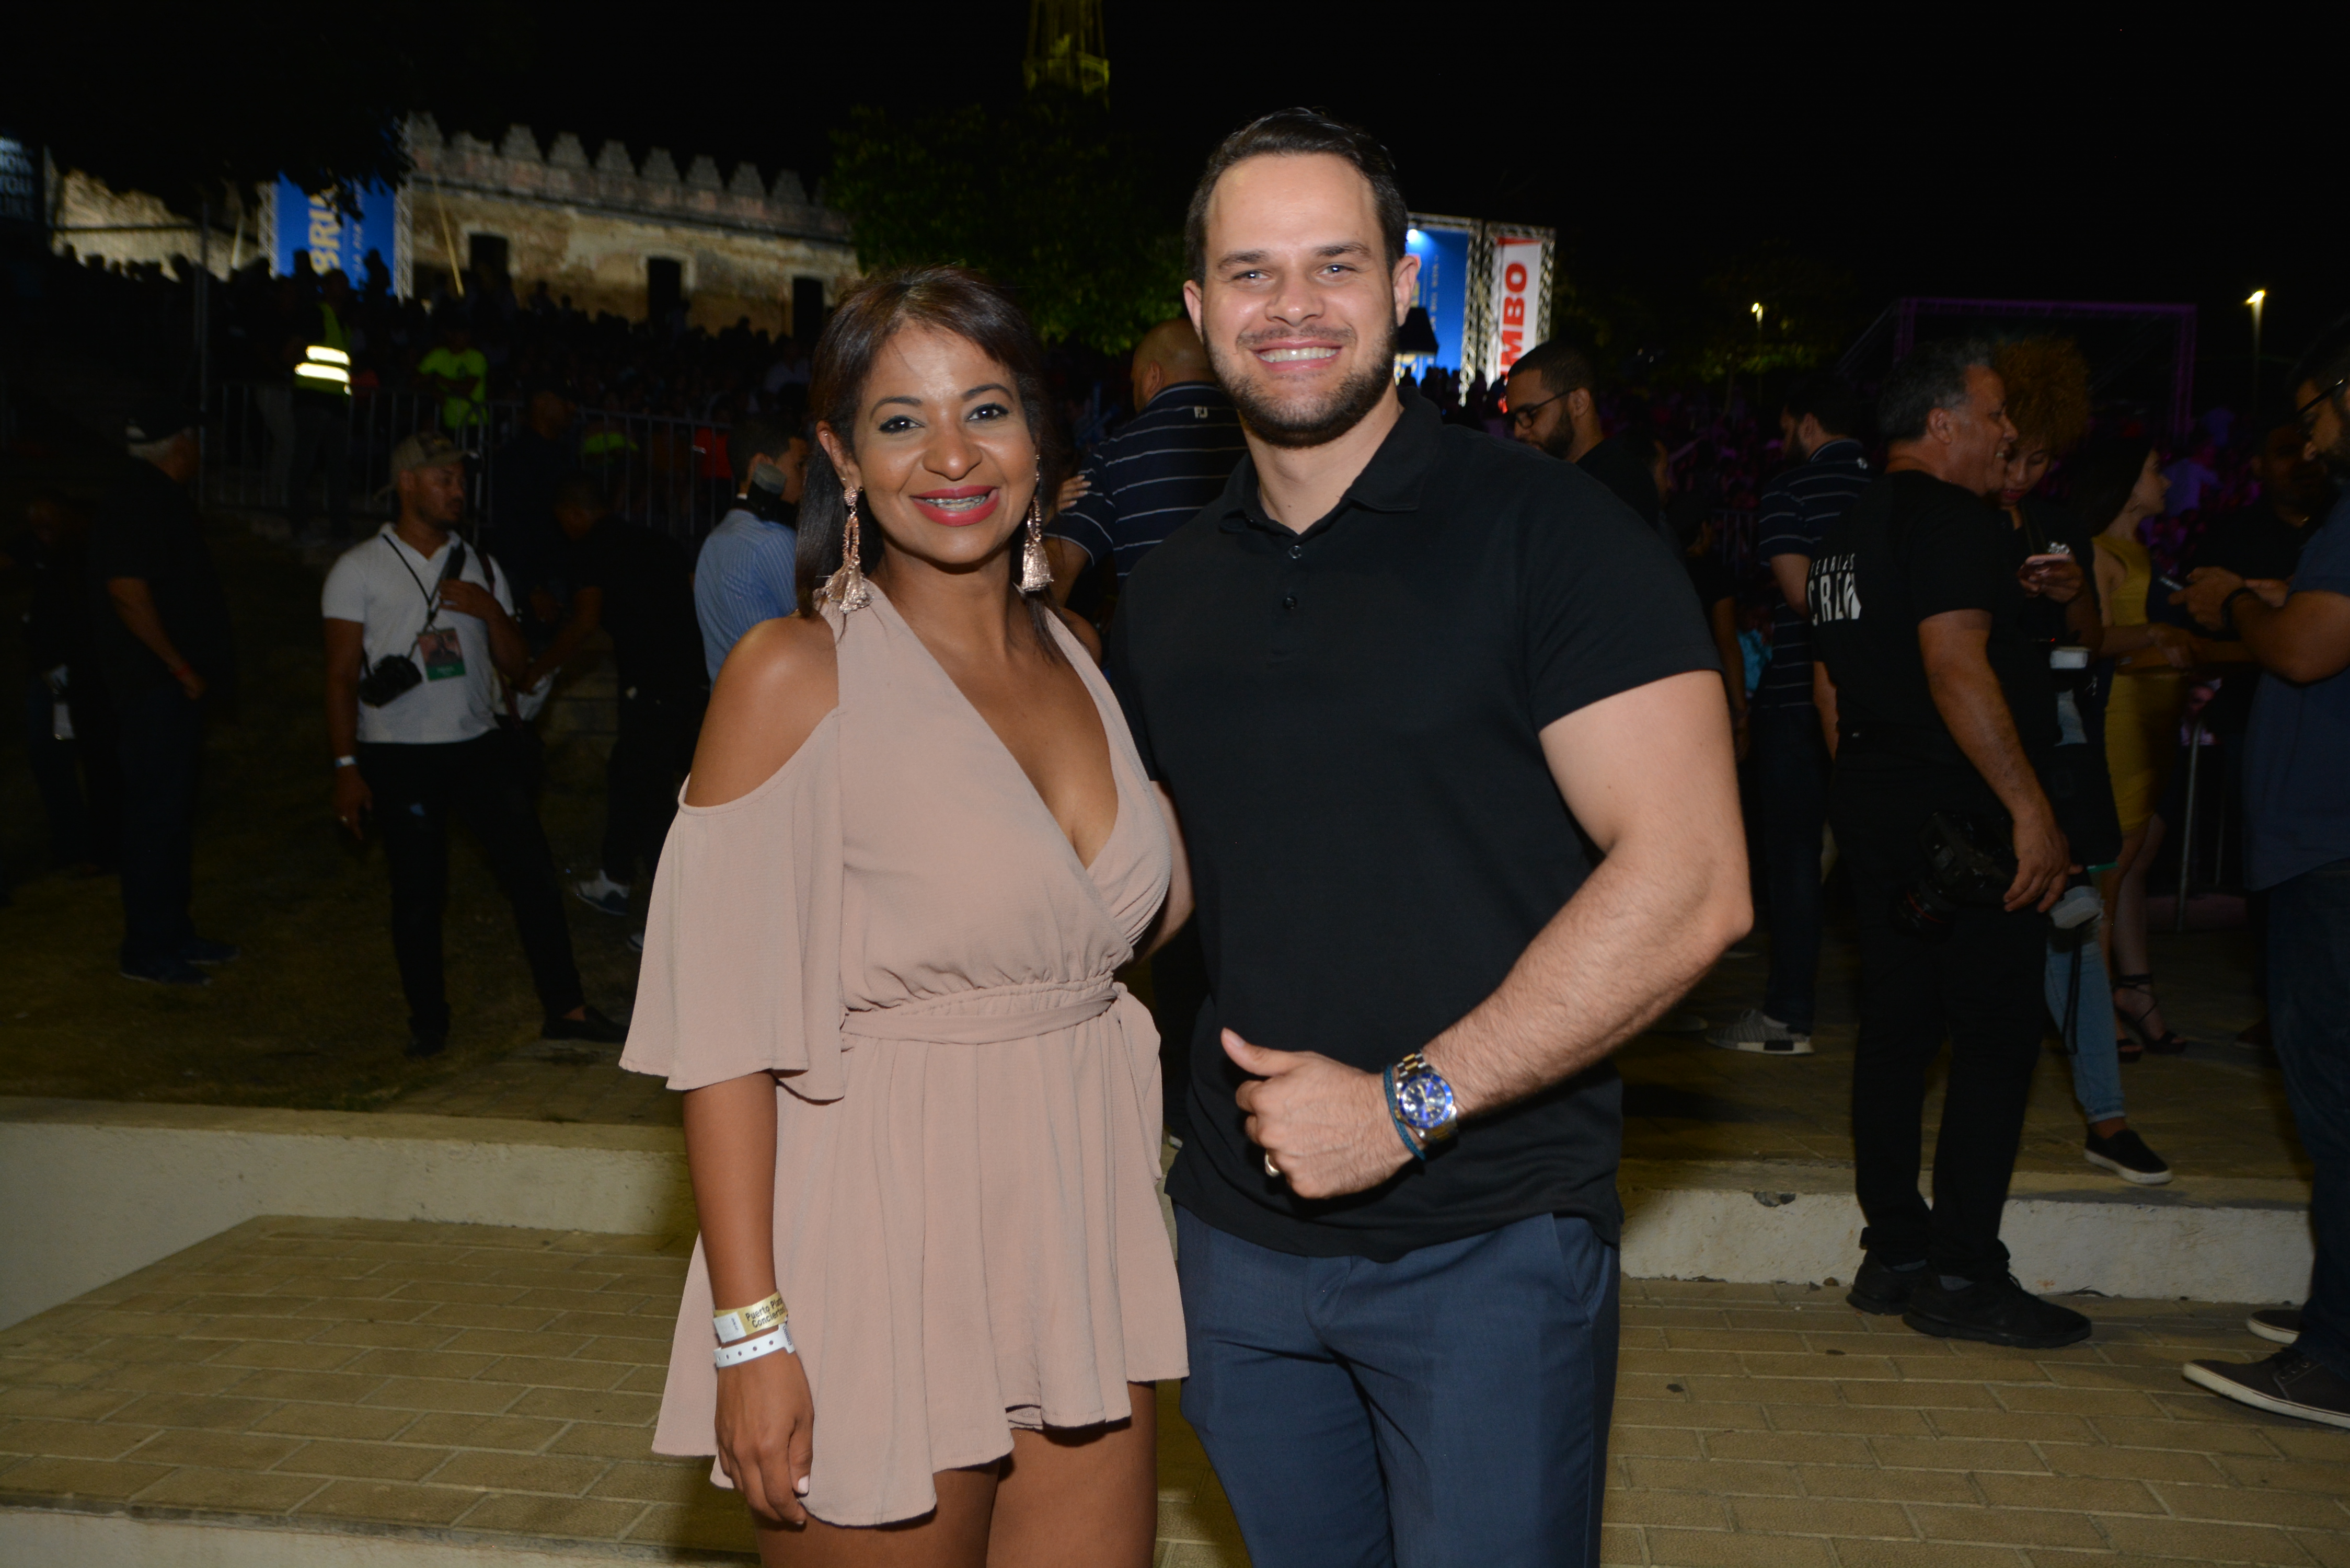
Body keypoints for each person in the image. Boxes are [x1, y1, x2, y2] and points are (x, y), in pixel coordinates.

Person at [1111, 110, 1749, 1566]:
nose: (1291, 306)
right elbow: (1166, 881)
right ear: (1200, 309)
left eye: (1332, 265)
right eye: (1252, 272)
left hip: (1487, 1242)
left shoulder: (1552, 534)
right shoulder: (1172, 589)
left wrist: (1406, 1104)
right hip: (1237, 1248)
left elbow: (1695, 878)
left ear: (1403, 287)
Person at [619, 266, 1186, 1562]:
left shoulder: (1084, 659)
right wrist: (752, 1337)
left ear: (1039, 438)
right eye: (899, 421)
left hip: (1077, 1234)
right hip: (875, 1237)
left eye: (985, 410)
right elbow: (724, 1044)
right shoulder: (791, 677)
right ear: (840, 456)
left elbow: (1097, 928)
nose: (951, 455)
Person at [1808, 340, 2091, 1348]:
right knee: (1996, 1035)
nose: (2008, 432)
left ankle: (1895, 1252)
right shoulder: (1952, 520)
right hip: (1959, 810)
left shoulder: (1844, 533)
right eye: (1995, 414)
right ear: (1942, 424)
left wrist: (1867, 797)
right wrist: (2030, 811)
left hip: (1878, 797)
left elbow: (1831, 681)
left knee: (1897, 1026)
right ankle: (1964, 1275)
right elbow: (1955, 666)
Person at [2175, 319, 2350, 1428]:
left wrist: (2233, 602)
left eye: (2316, 414)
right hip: (2324, 845)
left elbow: (2305, 649)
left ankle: (2337, 1359)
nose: (2311, 441)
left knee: (2335, 1102)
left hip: (2331, 852)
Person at [322, 432, 626, 1059]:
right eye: (444, 479)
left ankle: (566, 1009)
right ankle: (428, 1021)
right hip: (399, 752)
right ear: (407, 483)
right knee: (418, 891)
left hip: (478, 746)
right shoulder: (358, 569)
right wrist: (347, 766)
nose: (458, 490)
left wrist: (490, 610)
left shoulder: (482, 566)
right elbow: (340, 676)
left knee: (533, 876)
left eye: (461, 479)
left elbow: (516, 667)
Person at [1041, 315, 1248, 1144]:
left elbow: (1052, 582)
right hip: (1275, 706)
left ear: (1151, 379)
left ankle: (1186, 1108)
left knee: (1178, 896)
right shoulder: (1269, 441)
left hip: (1168, 718)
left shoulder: (1117, 456)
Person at [1989, 339, 2169, 1184]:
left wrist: (2067, 600)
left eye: (2038, 460)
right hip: (1974, 753)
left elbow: (2090, 643)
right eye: (2012, 456)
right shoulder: (1952, 520)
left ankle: (2108, 1118)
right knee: (1983, 947)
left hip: (2057, 751)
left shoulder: (2058, 527)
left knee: (2073, 929)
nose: (2022, 474)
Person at [1711, 375, 1871, 1056]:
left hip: (1798, 699)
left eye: (1784, 428)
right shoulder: (1887, 489)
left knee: (1794, 861)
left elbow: (1802, 595)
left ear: (1807, 424)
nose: (1782, 441)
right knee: (1878, 854)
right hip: (1880, 696)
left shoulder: (1790, 490)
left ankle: (1787, 1018)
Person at [2191, 416, 2336, 1049]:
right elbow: (2197, 622)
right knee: (2268, 870)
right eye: (2283, 451)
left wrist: (2246, 608)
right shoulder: (2236, 534)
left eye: (2310, 439)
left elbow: (2300, 649)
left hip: (2321, 749)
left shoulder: (2335, 525)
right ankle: (2278, 997)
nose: (2303, 457)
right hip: (2254, 720)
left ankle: (2296, 1009)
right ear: (2254, 466)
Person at [89, 400, 238, 985]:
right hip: (154, 687)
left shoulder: (156, 497)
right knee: (155, 817)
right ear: (179, 446)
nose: (200, 449)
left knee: (172, 814)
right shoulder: (138, 500)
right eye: (195, 438)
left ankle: (172, 932)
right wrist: (178, 666)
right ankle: (147, 947)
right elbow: (127, 589)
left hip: (166, 688)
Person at [523, 479, 709, 920]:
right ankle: (615, 879)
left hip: (649, 687)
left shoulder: (590, 550)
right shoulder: (660, 541)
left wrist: (539, 668)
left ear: (574, 514)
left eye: (563, 523)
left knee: (649, 795)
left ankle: (678, 914)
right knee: (629, 774)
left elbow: (585, 621)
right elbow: (696, 598)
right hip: (694, 681)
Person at [2073, 436, 2197, 1057]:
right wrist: (2153, 631)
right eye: (2154, 471)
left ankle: (2135, 990)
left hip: (2154, 722)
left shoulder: (2138, 550)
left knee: (2136, 859)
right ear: (2124, 484)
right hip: (2120, 719)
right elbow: (2091, 638)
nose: (2166, 482)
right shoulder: (2096, 550)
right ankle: (2094, 1010)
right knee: (2111, 867)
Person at [1042, 317, 1248, 603]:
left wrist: (1041, 519)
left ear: (1153, 376)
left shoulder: (1113, 456)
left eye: (1134, 382)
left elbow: (1057, 571)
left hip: (1157, 630)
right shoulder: (1261, 440)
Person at [3, 492, 118, 879]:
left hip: (78, 675)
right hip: (53, 674)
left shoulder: (81, 560)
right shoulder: (48, 554)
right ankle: (75, 845)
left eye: (48, 525)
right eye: (35, 527)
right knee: (52, 759)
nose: (42, 533)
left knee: (95, 759)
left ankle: (98, 848)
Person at [1503, 337, 1672, 546]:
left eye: (1530, 414)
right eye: (1515, 419)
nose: (1519, 431)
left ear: (1579, 402)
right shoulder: (1546, 476)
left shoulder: (1619, 483)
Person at [693, 411, 809, 681]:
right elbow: (818, 636)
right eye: (800, 465)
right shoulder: (773, 541)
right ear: (762, 466)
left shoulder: (715, 540)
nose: (806, 477)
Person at [487, 383, 580, 636]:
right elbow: (510, 524)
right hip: (530, 580)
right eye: (564, 400)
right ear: (541, 402)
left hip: (557, 577)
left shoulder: (564, 456)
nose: (572, 408)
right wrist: (533, 588)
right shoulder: (516, 458)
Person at [283, 267, 355, 544]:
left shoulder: (342, 323)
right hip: (314, 402)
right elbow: (291, 351)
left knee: (336, 470)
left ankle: (339, 530)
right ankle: (302, 526)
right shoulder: (316, 315)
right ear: (326, 287)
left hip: (334, 405)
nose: (343, 288)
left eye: (345, 283)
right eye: (338, 283)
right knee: (306, 466)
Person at [417, 317, 489, 435]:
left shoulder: (476, 357)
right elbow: (415, 381)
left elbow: (467, 389)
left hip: (474, 422)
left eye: (468, 333)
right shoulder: (438, 356)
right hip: (450, 423)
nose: (467, 337)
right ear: (449, 334)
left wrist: (437, 378)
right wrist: (433, 389)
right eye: (462, 333)